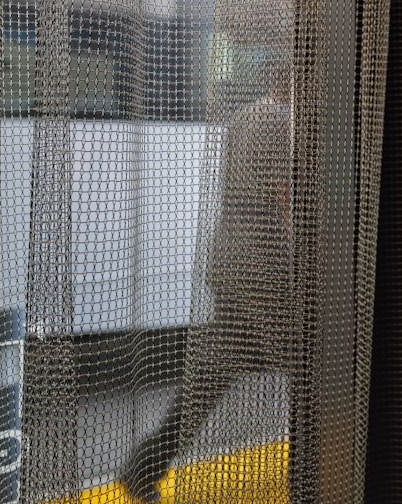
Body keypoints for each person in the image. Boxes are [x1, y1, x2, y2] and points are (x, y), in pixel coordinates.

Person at [121, 70, 291, 503]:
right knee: (309, 363)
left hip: (227, 256)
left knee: (208, 378)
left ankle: (144, 468)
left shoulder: (243, 117)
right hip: (262, 266)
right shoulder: (279, 123)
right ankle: (321, 468)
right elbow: (283, 195)